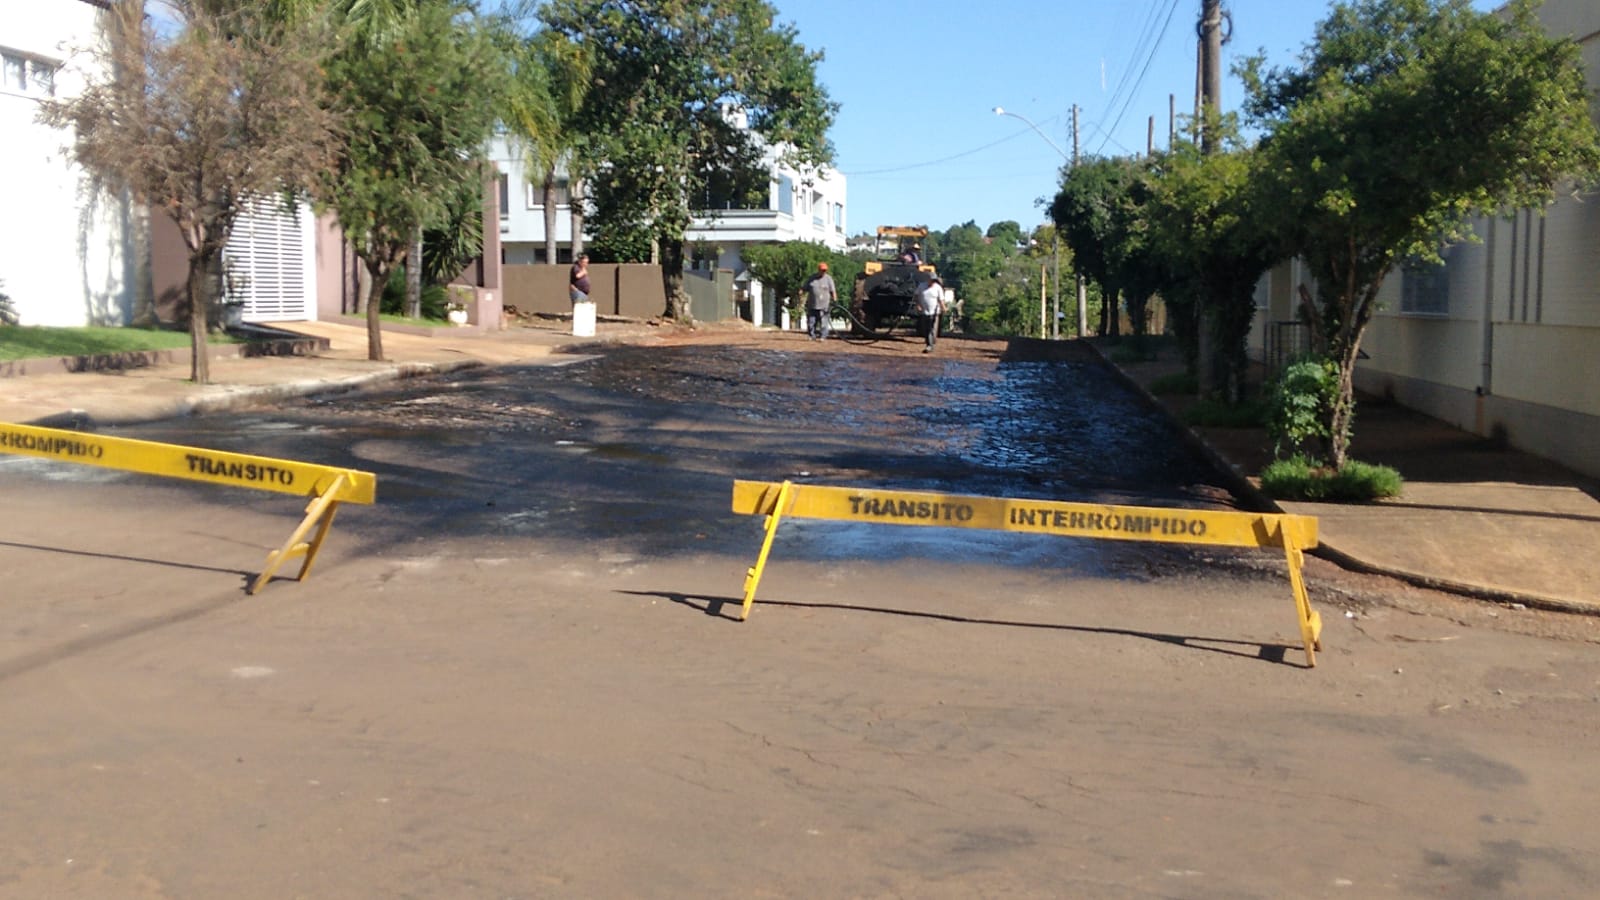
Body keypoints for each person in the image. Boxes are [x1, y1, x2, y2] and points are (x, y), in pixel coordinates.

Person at [803, 261, 837, 340]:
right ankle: (812, 335)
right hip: (812, 304)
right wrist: (801, 292)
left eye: (825, 270)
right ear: (818, 270)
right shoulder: (812, 278)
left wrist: (835, 300)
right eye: (822, 270)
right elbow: (805, 287)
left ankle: (823, 336)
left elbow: (833, 290)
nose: (823, 272)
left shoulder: (829, 279)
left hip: (824, 305)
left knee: (824, 322)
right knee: (811, 322)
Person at [914, 274, 944, 353]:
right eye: (932, 280)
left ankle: (930, 345)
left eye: (934, 281)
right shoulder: (921, 286)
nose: (933, 282)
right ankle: (929, 344)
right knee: (927, 328)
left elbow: (941, 299)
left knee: (931, 328)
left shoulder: (938, 288)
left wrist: (943, 307)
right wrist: (918, 305)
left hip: (934, 312)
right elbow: (916, 296)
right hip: (925, 311)